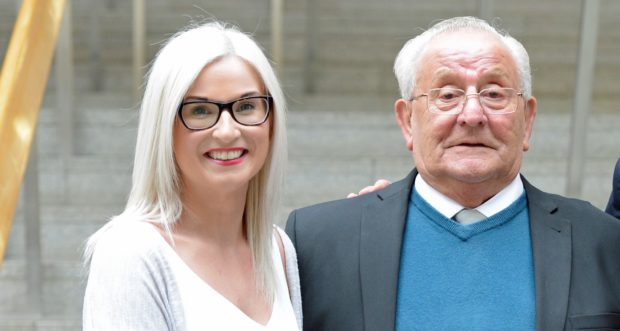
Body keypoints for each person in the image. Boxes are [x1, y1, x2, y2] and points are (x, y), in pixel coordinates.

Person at [286, 16, 620, 331]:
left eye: (493, 93)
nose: (472, 114)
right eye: (447, 95)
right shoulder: (319, 243)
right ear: (407, 122)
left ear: (528, 120)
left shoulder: (603, 242)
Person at [83, 22, 301, 330]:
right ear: (164, 128)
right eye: (200, 110)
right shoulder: (130, 253)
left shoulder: (277, 248)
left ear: (272, 123)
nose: (227, 131)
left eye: (247, 106)